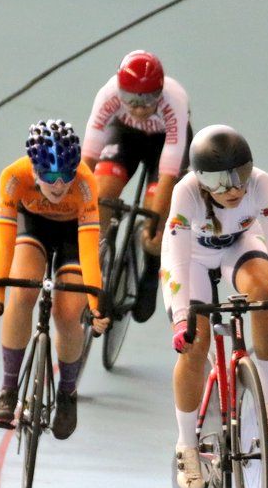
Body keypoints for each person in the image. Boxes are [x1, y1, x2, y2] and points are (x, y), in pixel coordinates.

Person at [160, 124, 268, 488]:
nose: (233, 189)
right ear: (199, 179)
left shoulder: (260, 183)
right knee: (195, 343)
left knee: (263, 290)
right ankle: (187, 445)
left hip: (237, 245)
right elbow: (178, 261)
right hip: (191, 259)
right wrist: (183, 320)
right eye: (219, 181)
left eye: (239, 176)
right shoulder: (186, 192)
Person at [0, 120, 110, 440]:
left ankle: (66, 394)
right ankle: (9, 389)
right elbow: (5, 248)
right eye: (49, 176)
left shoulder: (85, 184)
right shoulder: (13, 178)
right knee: (21, 294)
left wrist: (96, 304)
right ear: (34, 169)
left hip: (72, 237)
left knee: (67, 313)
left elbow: (90, 255)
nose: (59, 184)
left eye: (66, 174)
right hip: (33, 227)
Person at [81, 50, 193, 323]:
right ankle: (96, 258)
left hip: (165, 145)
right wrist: (85, 210)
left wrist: (156, 219)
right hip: (126, 137)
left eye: (148, 100)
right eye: (131, 100)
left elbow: (167, 173)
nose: (140, 108)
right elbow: (88, 157)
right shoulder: (108, 95)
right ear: (120, 92)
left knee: (156, 218)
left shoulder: (174, 99)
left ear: (160, 92)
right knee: (99, 195)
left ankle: (151, 265)